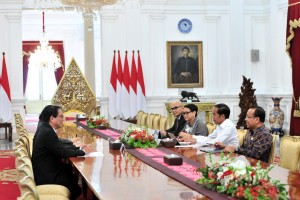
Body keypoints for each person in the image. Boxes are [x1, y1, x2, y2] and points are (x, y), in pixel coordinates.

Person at [31, 105, 94, 200]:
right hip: (46, 175)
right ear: (52, 118)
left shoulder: (44, 126)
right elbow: (63, 152)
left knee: (69, 170)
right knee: (75, 188)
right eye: (61, 116)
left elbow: (57, 143)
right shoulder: (47, 132)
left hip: (44, 169)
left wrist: (75, 145)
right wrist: (83, 151)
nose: (63, 119)